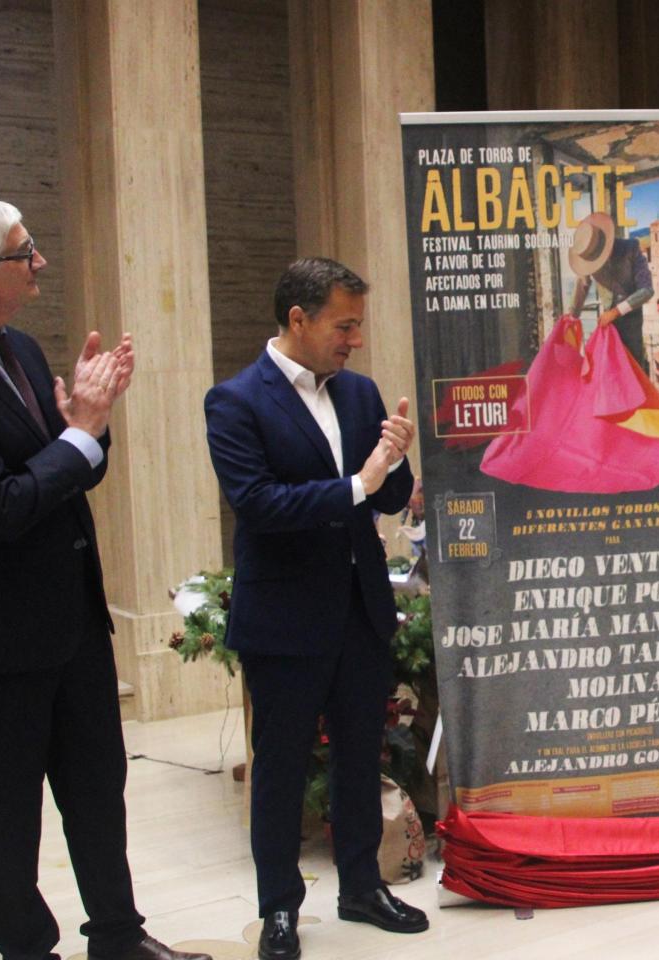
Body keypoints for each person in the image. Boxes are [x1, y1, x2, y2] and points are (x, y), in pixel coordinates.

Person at [0, 196, 206, 960]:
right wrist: (79, 435)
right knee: (12, 809)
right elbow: (1, 505)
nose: (40, 264)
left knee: (98, 790)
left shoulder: (14, 345)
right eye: (25, 253)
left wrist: (88, 423)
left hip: (72, 622)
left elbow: (60, 467)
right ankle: (29, 950)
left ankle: (118, 937)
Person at [204, 258, 423, 960]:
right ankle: (279, 908)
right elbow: (260, 507)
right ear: (298, 319)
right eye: (344, 324)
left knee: (363, 753)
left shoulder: (359, 393)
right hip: (286, 620)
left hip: (359, 610)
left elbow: (386, 497)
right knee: (282, 766)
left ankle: (361, 885)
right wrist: (360, 482)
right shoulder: (235, 401)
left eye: (358, 324)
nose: (355, 339)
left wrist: (395, 463)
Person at [567, 210, 653, 371]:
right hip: (608, 326)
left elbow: (647, 290)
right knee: (609, 374)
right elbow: (583, 284)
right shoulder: (589, 257)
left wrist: (615, 312)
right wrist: (572, 317)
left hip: (631, 325)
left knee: (634, 372)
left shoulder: (631, 248)